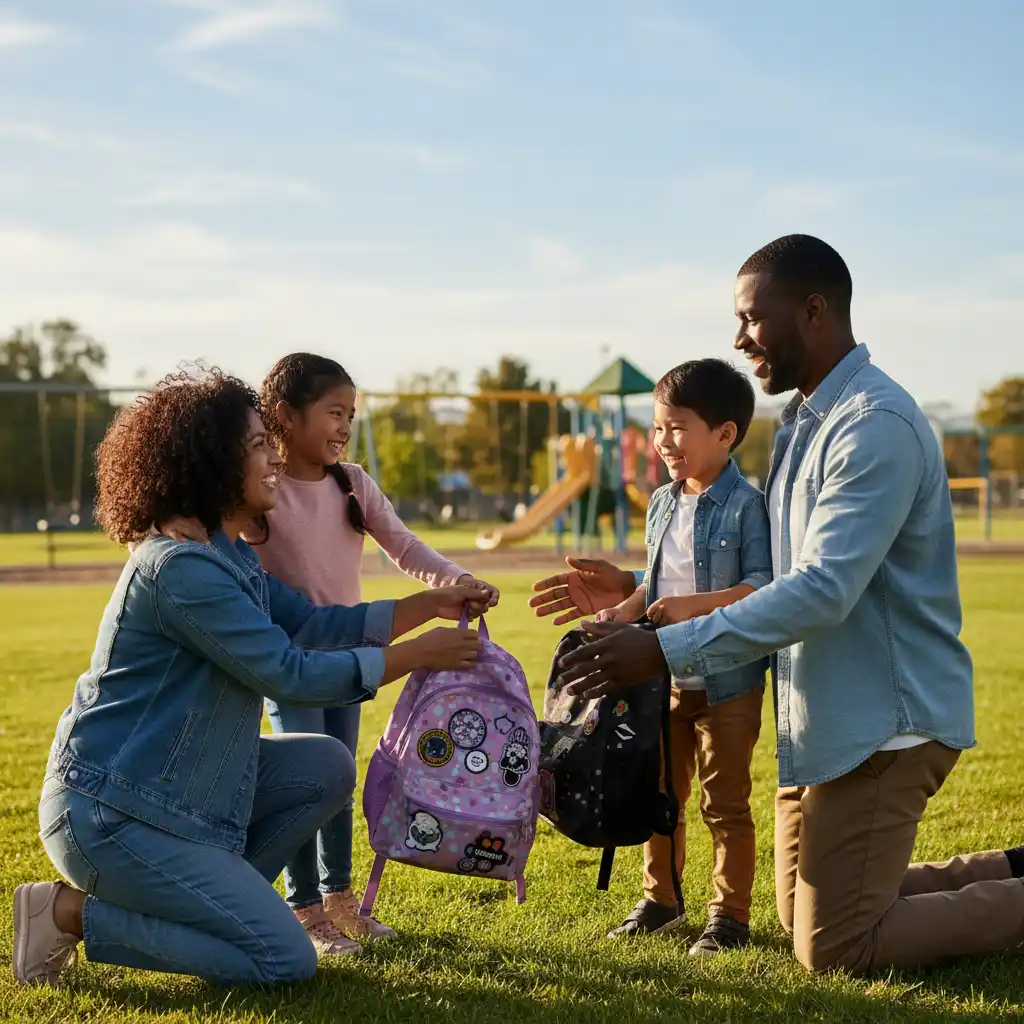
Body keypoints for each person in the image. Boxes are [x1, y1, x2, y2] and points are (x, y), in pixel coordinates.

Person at [537, 234, 1024, 975]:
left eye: (753, 319)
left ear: (814, 311)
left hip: (885, 725)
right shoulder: (802, 422)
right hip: (822, 723)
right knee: (807, 915)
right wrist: (643, 591)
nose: (739, 339)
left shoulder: (871, 425)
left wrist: (664, 646)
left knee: (835, 947)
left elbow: (823, 588)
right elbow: (771, 578)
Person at [13, 369, 484, 988]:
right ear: (213, 461)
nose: (274, 457)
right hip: (114, 813)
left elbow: (314, 626)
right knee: (284, 960)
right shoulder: (181, 570)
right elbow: (289, 672)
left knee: (325, 765)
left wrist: (431, 603)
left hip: (183, 796)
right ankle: (68, 913)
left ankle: (217, 909)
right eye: (260, 444)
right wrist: (419, 655)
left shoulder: (228, 556)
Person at [154, 352, 499, 953]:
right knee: (306, 778)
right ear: (286, 415)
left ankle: (341, 900)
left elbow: (406, 546)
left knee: (339, 776)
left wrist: (457, 582)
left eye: (351, 414)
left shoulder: (352, 485)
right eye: (333, 412)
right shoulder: (257, 492)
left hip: (353, 651)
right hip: (293, 662)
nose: (344, 426)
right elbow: (201, 546)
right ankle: (305, 909)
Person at [594, 359, 771, 954]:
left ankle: (730, 918)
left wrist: (694, 606)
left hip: (729, 684)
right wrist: (623, 613)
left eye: (678, 428)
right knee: (660, 797)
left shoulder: (749, 507)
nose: (664, 442)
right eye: (658, 427)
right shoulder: (662, 503)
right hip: (663, 678)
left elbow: (761, 589)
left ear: (724, 434)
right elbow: (656, 582)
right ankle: (661, 900)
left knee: (724, 803)